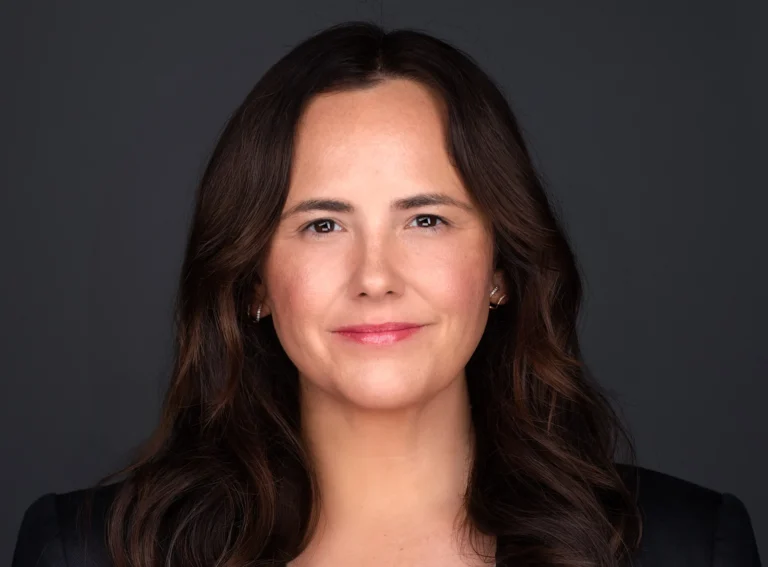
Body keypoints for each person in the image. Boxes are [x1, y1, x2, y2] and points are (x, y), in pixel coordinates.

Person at [11, 21, 761, 567]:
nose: (375, 276)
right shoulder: (87, 552)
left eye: (426, 219)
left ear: (501, 268)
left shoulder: (687, 546)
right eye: (323, 224)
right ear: (254, 281)